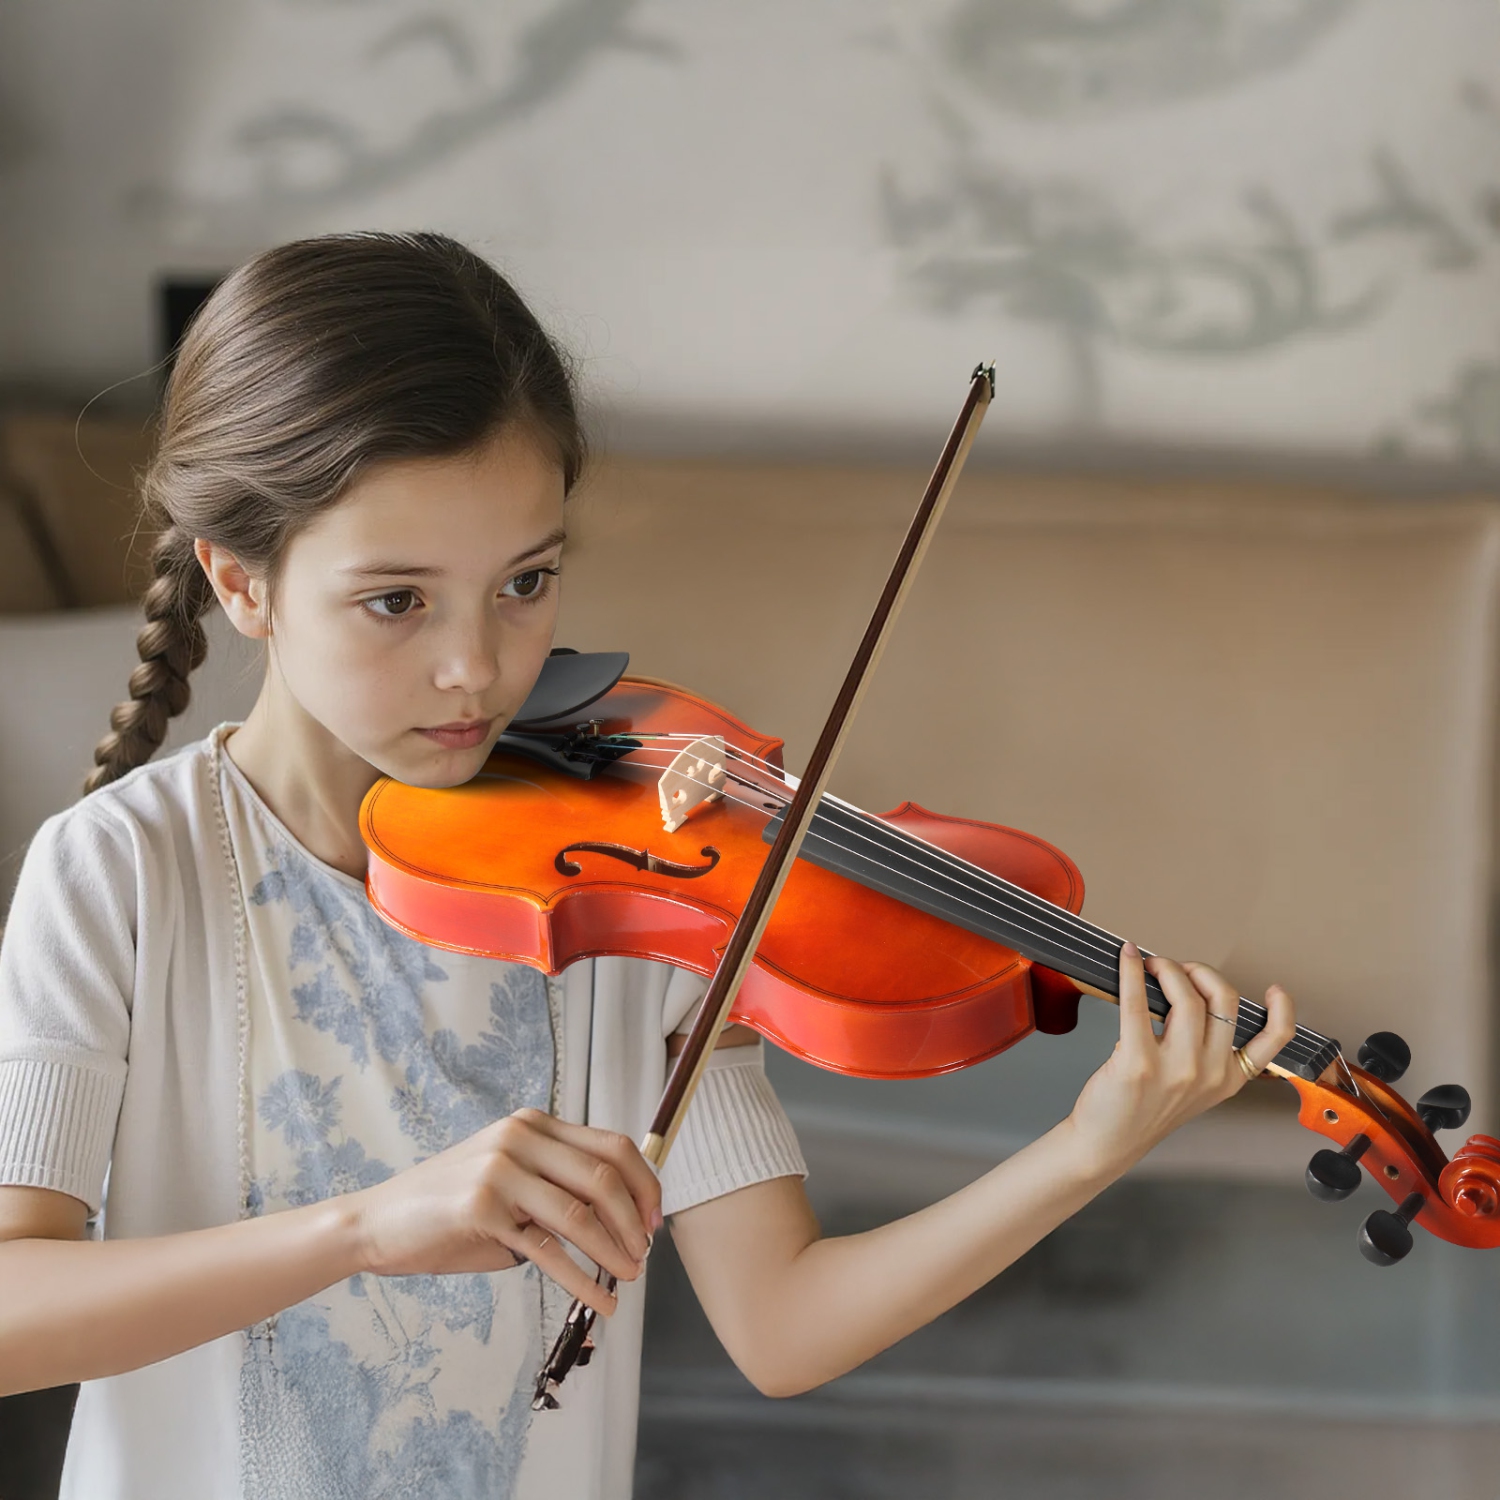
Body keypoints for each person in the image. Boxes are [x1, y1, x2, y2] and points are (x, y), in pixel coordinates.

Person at [0, 232, 1295, 1500]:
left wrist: (1085, 1146)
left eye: (526, 582)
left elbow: (783, 1326)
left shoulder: (635, 893)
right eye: (398, 600)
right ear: (243, 583)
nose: (478, 666)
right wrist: (361, 1230)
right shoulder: (124, 872)